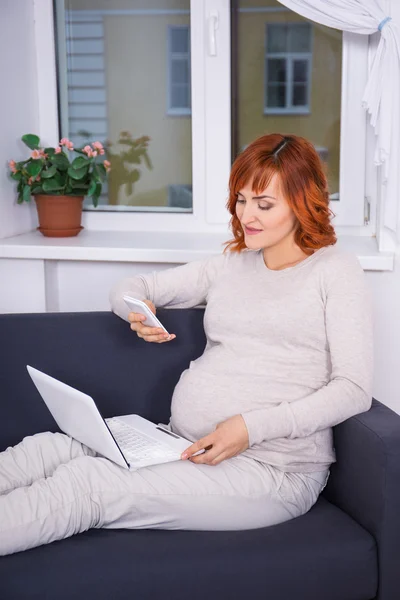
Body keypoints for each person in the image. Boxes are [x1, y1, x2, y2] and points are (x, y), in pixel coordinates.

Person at [0, 133, 373, 556]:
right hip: (177, 441)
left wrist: (250, 429)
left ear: (302, 203)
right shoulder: (233, 264)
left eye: (264, 204)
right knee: (50, 447)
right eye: (241, 199)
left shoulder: (335, 270)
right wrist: (136, 311)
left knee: (88, 484)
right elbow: (134, 286)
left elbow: (353, 389)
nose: (246, 215)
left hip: (272, 470)